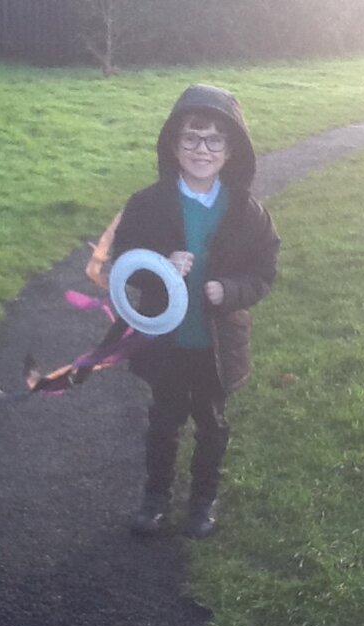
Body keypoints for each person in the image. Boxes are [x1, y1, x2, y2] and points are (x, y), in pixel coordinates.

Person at [109, 84, 281, 538]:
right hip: (165, 342)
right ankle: (155, 498)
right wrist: (160, 265)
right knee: (163, 421)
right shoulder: (147, 205)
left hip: (216, 346)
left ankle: (203, 501)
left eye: (214, 140)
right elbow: (124, 259)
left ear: (231, 150)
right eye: (191, 137)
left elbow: (264, 271)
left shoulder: (247, 213)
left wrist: (230, 290)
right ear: (173, 144)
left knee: (211, 424)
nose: (202, 150)